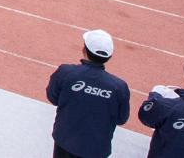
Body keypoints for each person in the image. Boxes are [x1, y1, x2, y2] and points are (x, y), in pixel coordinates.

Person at [46, 30, 130, 158]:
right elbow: (121, 118)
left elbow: (53, 97)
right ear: (109, 56)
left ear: (84, 50)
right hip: (97, 148)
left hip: (65, 141)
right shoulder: (119, 87)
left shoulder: (66, 72)